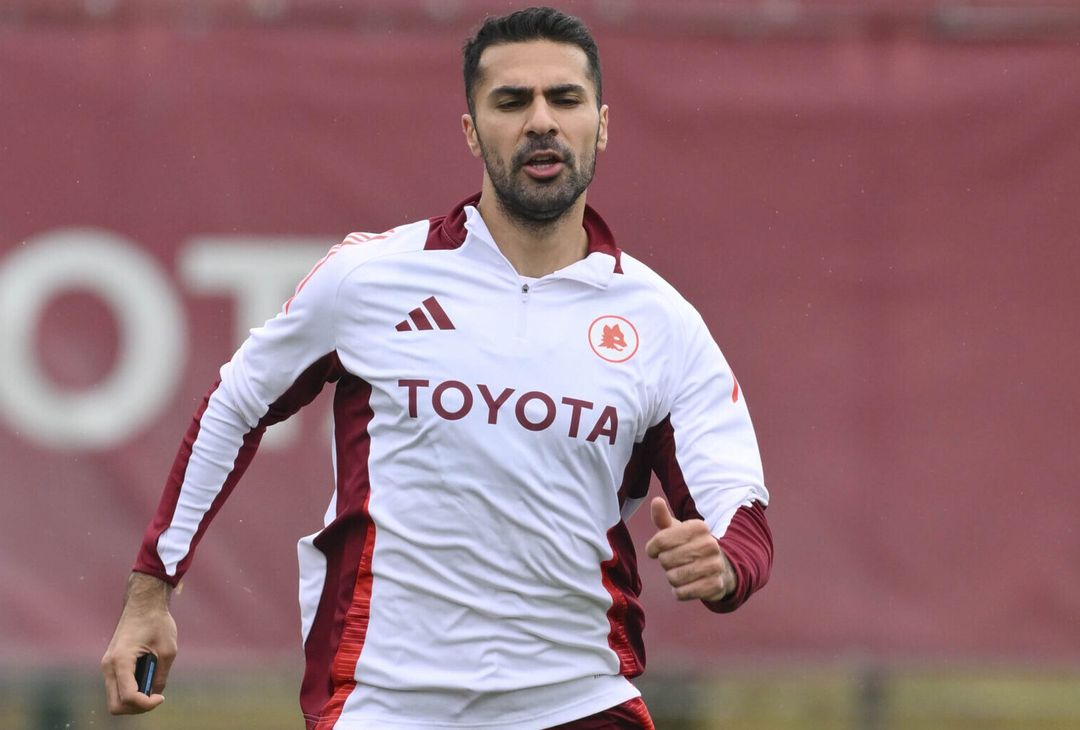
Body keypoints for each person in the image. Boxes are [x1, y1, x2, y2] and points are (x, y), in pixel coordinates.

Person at [100, 6, 773, 729]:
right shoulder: (370, 278)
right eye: (512, 102)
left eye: (565, 99)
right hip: (386, 705)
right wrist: (151, 590)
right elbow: (235, 406)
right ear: (471, 130)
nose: (541, 121)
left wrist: (726, 563)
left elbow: (742, 510)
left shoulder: (661, 322)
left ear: (601, 125)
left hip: (578, 700)